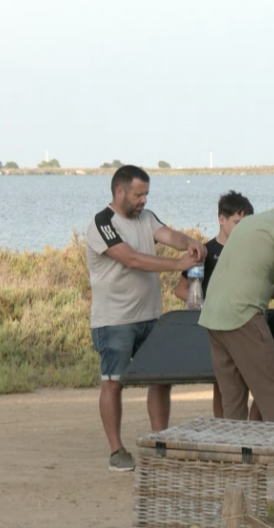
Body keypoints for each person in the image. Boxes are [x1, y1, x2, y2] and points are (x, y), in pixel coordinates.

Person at [85, 165, 206, 471]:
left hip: (151, 317)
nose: (143, 200)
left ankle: (159, 442)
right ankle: (116, 451)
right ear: (120, 192)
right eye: (139, 194)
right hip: (114, 320)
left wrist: (190, 242)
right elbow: (131, 259)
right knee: (113, 383)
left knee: (161, 378)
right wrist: (176, 262)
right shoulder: (102, 223)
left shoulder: (146, 218)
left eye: (146, 194)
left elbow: (169, 235)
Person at [198, 186, 274, 423]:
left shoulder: (250, 223)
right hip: (242, 317)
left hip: (213, 316)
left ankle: (239, 455)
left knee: (233, 397)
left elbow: (255, 281)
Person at [172, 190, 259, 420]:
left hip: (244, 324)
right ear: (222, 219)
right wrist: (209, 305)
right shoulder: (206, 252)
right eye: (237, 222)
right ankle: (224, 429)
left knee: (257, 381)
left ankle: (251, 429)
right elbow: (181, 290)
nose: (243, 228)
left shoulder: (251, 250)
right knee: (221, 384)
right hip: (214, 326)